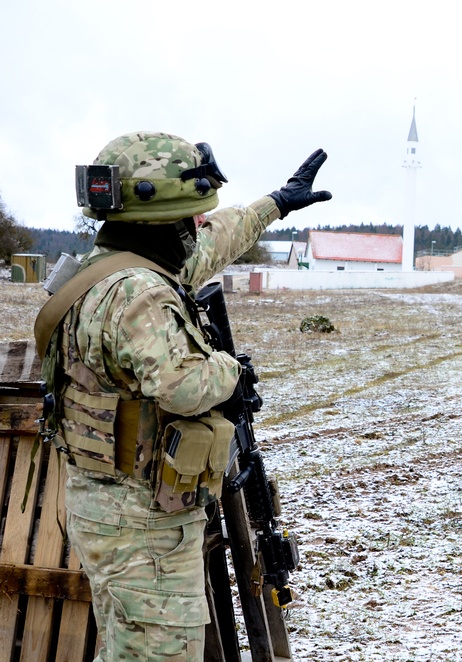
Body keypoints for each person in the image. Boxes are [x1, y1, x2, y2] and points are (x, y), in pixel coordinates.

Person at [39, 131, 331, 660]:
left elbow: (216, 240)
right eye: (191, 217)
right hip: (143, 526)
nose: (199, 226)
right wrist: (230, 370)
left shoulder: (104, 273)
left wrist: (277, 203)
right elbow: (185, 386)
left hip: (106, 507)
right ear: (163, 220)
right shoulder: (142, 294)